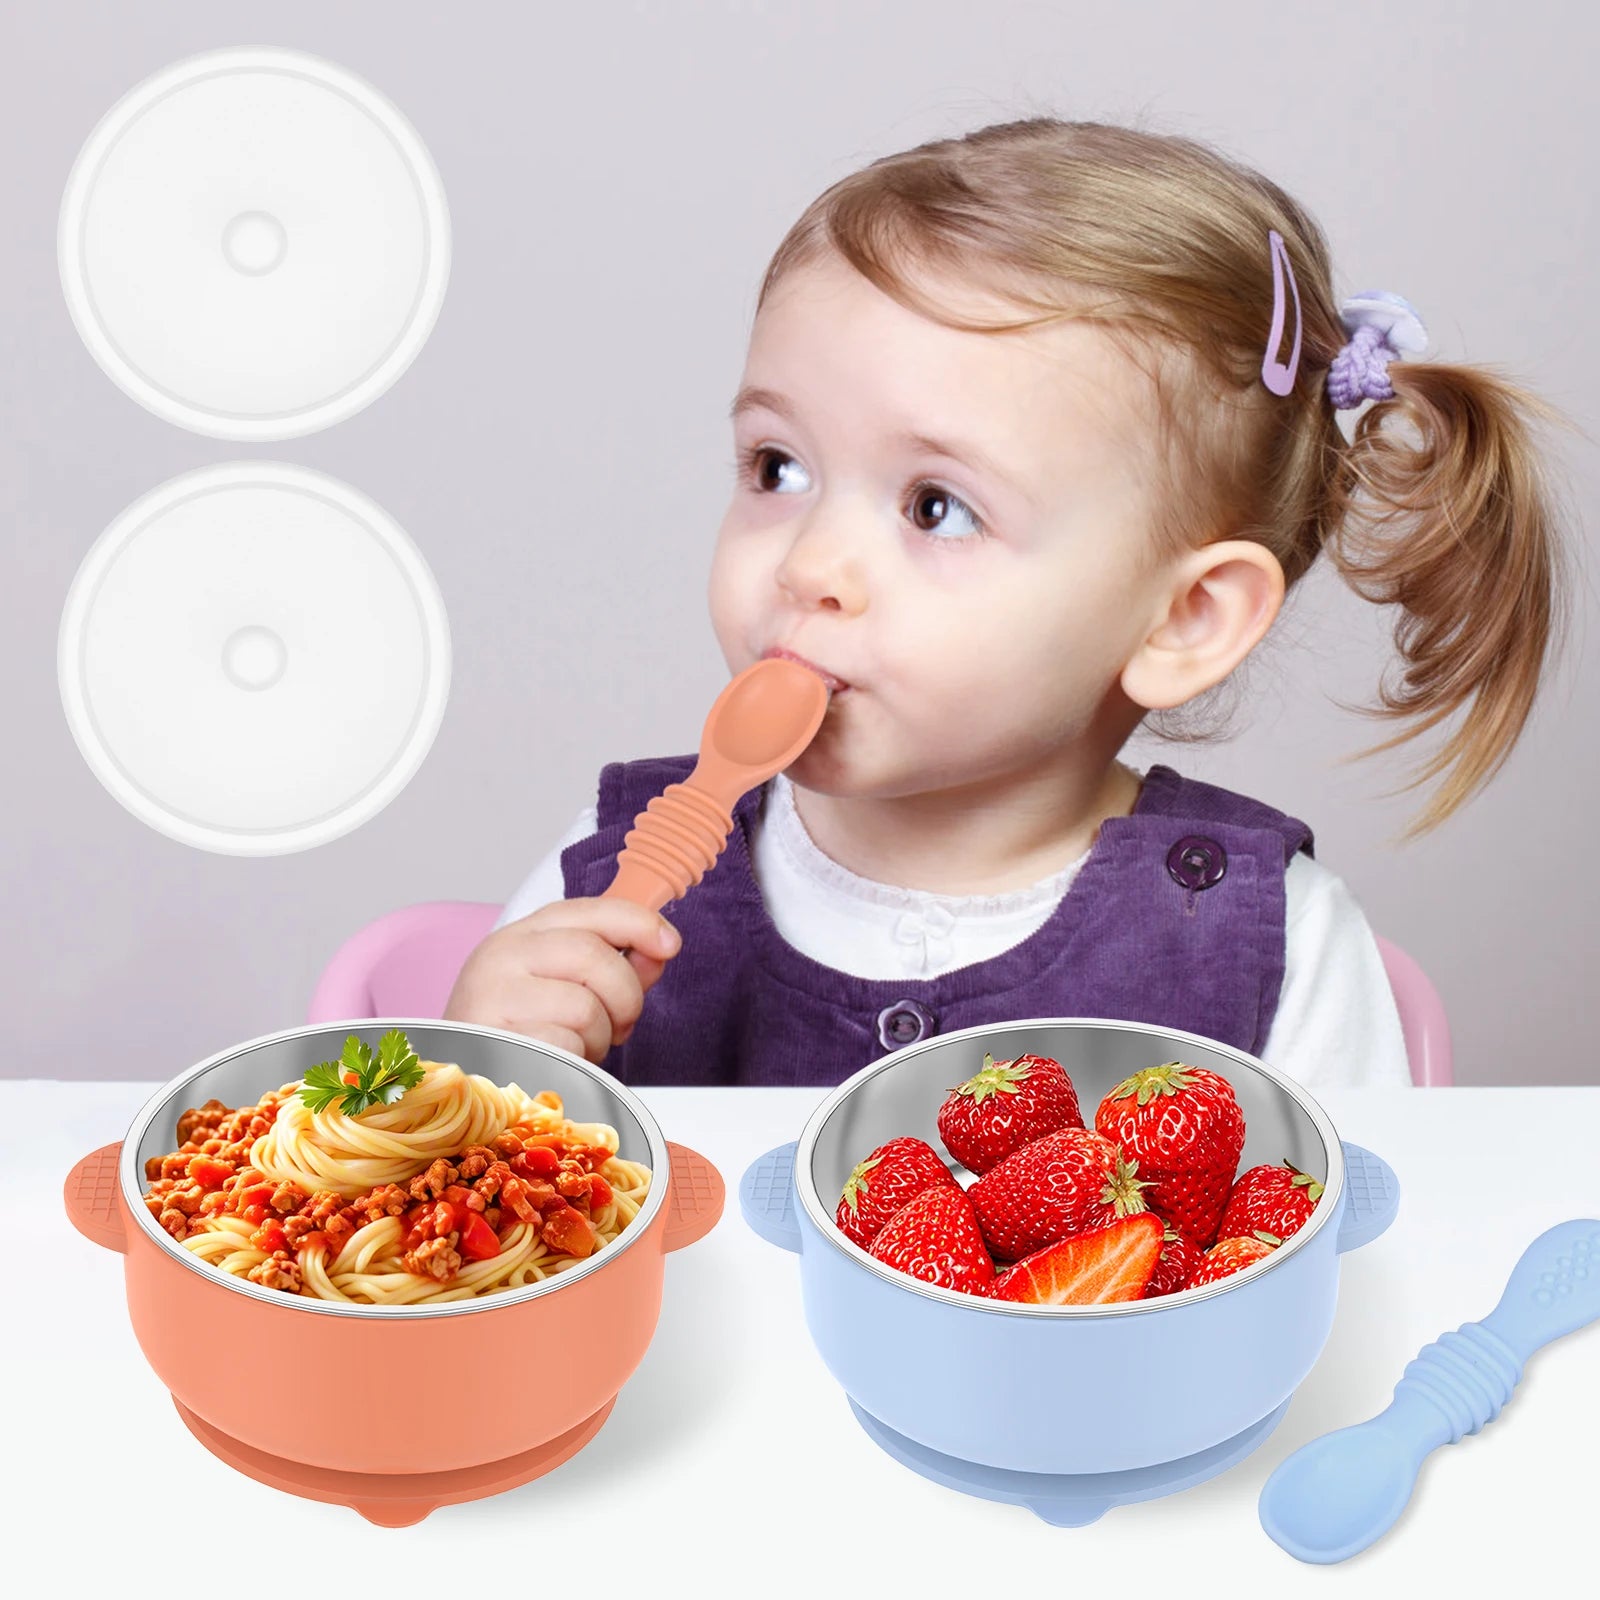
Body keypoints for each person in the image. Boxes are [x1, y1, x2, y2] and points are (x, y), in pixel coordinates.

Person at [445, 118, 1566, 1092]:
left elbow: (1347, 1275)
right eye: (777, 467)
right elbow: (435, 1249)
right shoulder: (591, 886)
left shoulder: (1271, 945)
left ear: (1186, 620)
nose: (808, 563)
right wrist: (481, 1070)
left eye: (935, 506)